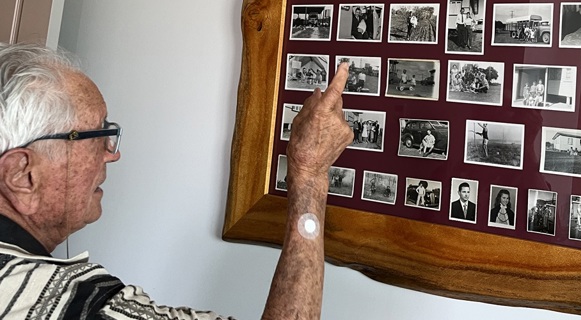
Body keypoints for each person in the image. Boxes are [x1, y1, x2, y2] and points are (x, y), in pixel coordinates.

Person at [0, 44, 353, 319]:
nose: (112, 153)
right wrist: (309, 175)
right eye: (97, 135)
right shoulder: (64, 304)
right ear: (22, 175)